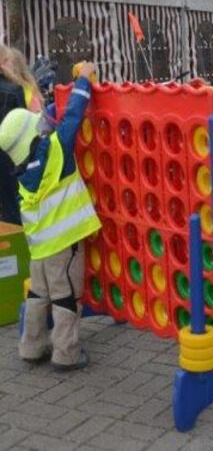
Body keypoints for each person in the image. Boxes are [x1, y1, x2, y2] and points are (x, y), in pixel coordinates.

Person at [0, 61, 101, 371]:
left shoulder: (23, 171)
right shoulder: (55, 151)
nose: (42, 124)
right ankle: (66, 353)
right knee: (66, 296)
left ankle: (31, 347)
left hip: (39, 249)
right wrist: (83, 82)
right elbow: (71, 119)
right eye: (37, 126)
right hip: (63, 246)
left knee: (37, 295)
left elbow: (53, 124)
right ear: (34, 138)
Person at [0, 46, 27, 224]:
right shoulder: (14, 90)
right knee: (12, 211)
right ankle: (17, 251)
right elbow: (24, 129)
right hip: (8, 160)